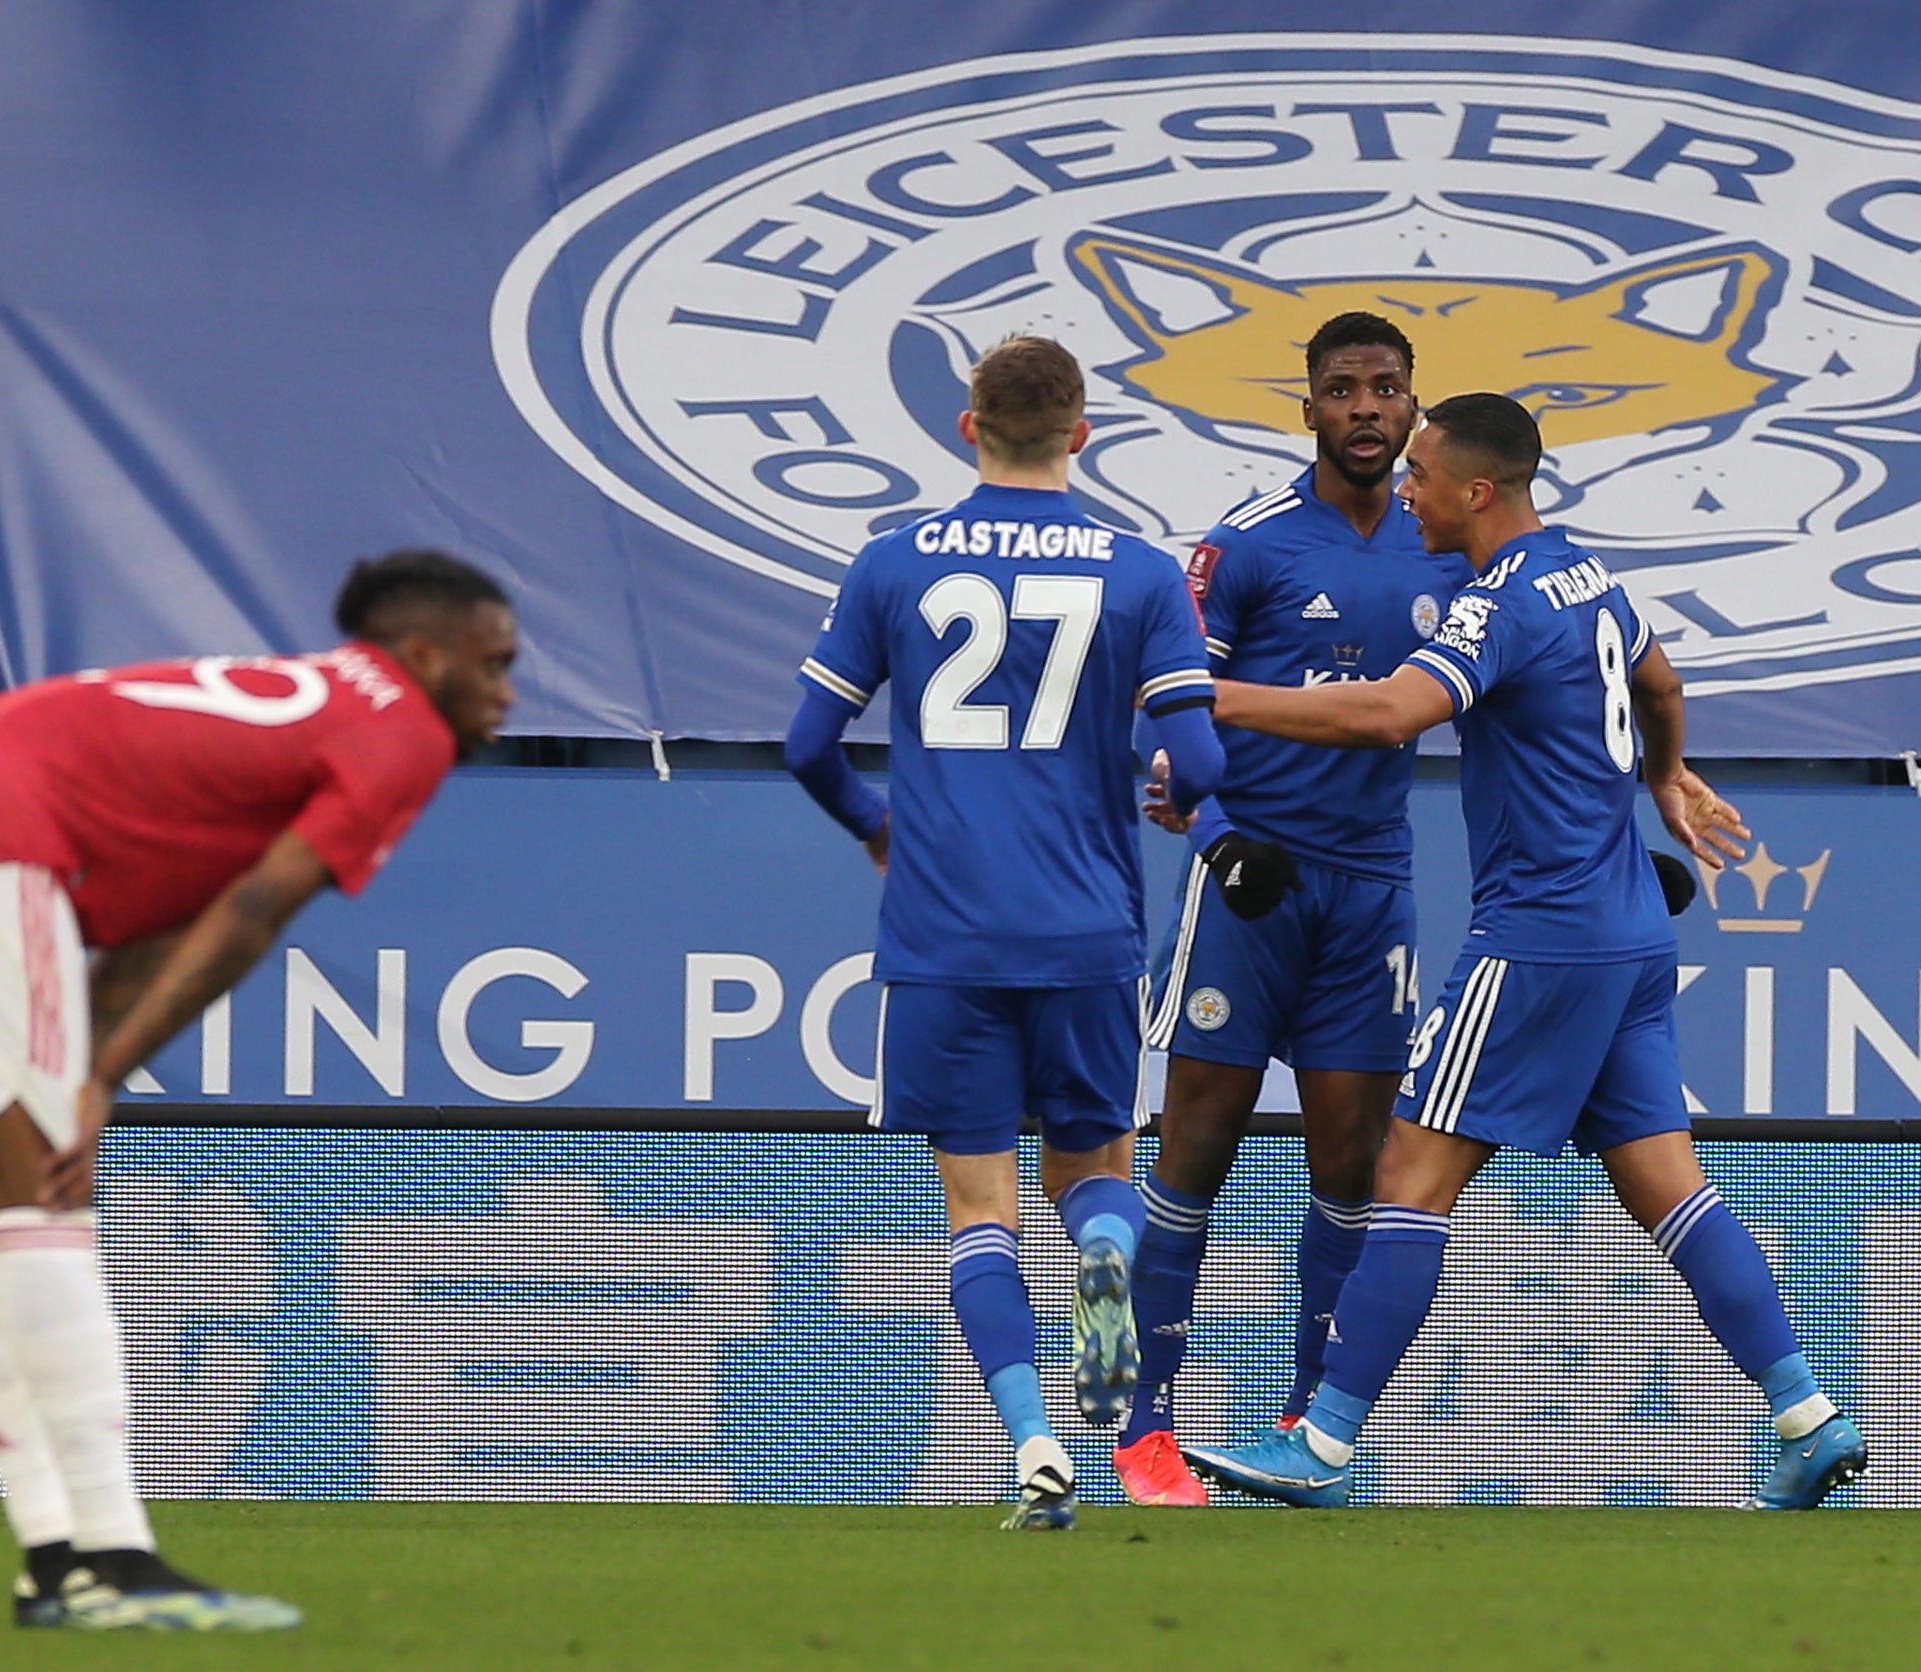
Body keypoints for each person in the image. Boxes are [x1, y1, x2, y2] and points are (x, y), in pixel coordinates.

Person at [1182, 395, 1865, 1510]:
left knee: (1406, 1177)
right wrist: (1662, 774)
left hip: (1536, 940)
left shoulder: (1494, 604)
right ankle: (1806, 1415)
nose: (1405, 493)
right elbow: (1659, 681)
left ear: (1476, 490)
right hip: (1628, 938)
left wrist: (1208, 692)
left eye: (1420, 476)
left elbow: (1386, 716)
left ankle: (1320, 1444)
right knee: (1668, 1186)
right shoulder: (1586, 575)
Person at [0, 549, 516, 1625]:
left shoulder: (290, 718)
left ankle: (53, 1560)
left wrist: (93, 1066)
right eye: (494, 663)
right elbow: (252, 914)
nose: (508, 692)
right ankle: (113, 1558)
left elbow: (165, 927)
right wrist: (98, 1079)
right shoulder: (402, 729)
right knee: (45, 1198)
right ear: (424, 655)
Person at [785, 336, 1224, 1529]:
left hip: (943, 931)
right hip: (1085, 924)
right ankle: (1108, 1256)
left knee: (980, 1210)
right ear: (1082, 435)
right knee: (1092, 1169)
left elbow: (806, 746)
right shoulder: (1137, 575)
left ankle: (1033, 1439)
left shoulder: (892, 564)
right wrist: (1182, 797)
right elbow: (1195, 756)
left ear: (965, 426)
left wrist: (880, 827)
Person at [1115, 313, 1473, 1507]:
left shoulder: (1450, 552)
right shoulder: (1249, 546)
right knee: (1193, 1152)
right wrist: (1213, 831)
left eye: (1384, 389)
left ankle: (1301, 1429)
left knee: (1348, 1168)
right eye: (1341, 391)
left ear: (1414, 404)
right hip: (1246, 884)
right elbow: (1171, 708)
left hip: (1369, 893)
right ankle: (1143, 1430)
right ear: (1305, 408)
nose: (1365, 409)